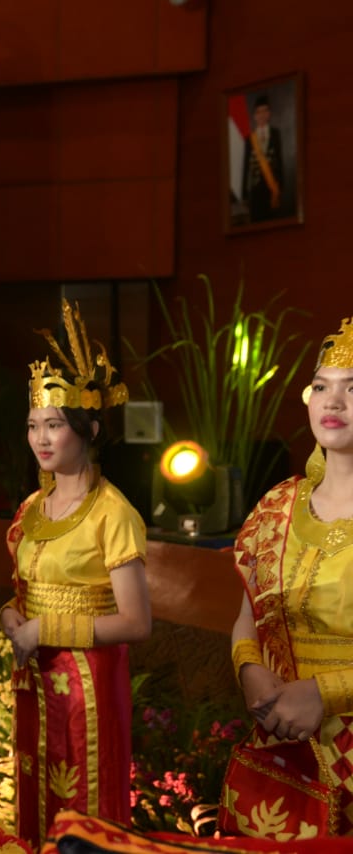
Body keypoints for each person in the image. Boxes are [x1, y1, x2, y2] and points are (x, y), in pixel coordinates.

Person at [0, 299, 151, 846]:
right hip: (33, 677)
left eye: (55, 425)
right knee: (32, 802)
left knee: (84, 811)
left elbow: (136, 622)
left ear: (86, 429)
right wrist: (12, 614)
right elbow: (23, 590)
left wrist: (47, 631)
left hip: (88, 684)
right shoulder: (31, 509)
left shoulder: (114, 512)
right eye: (34, 424)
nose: (41, 437)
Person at [221, 315, 353, 839]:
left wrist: (325, 693)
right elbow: (246, 616)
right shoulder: (278, 504)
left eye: (352, 389)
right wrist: (250, 670)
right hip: (281, 753)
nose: (333, 402)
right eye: (321, 387)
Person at [241, 94, 284, 224]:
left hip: (272, 188)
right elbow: (246, 166)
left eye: (265, 110)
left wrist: (280, 185)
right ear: (254, 116)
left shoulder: (276, 134)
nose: (262, 114)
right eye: (259, 112)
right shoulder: (250, 139)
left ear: (269, 114)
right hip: (256, 189)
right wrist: (244, 192)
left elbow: (280, 160)